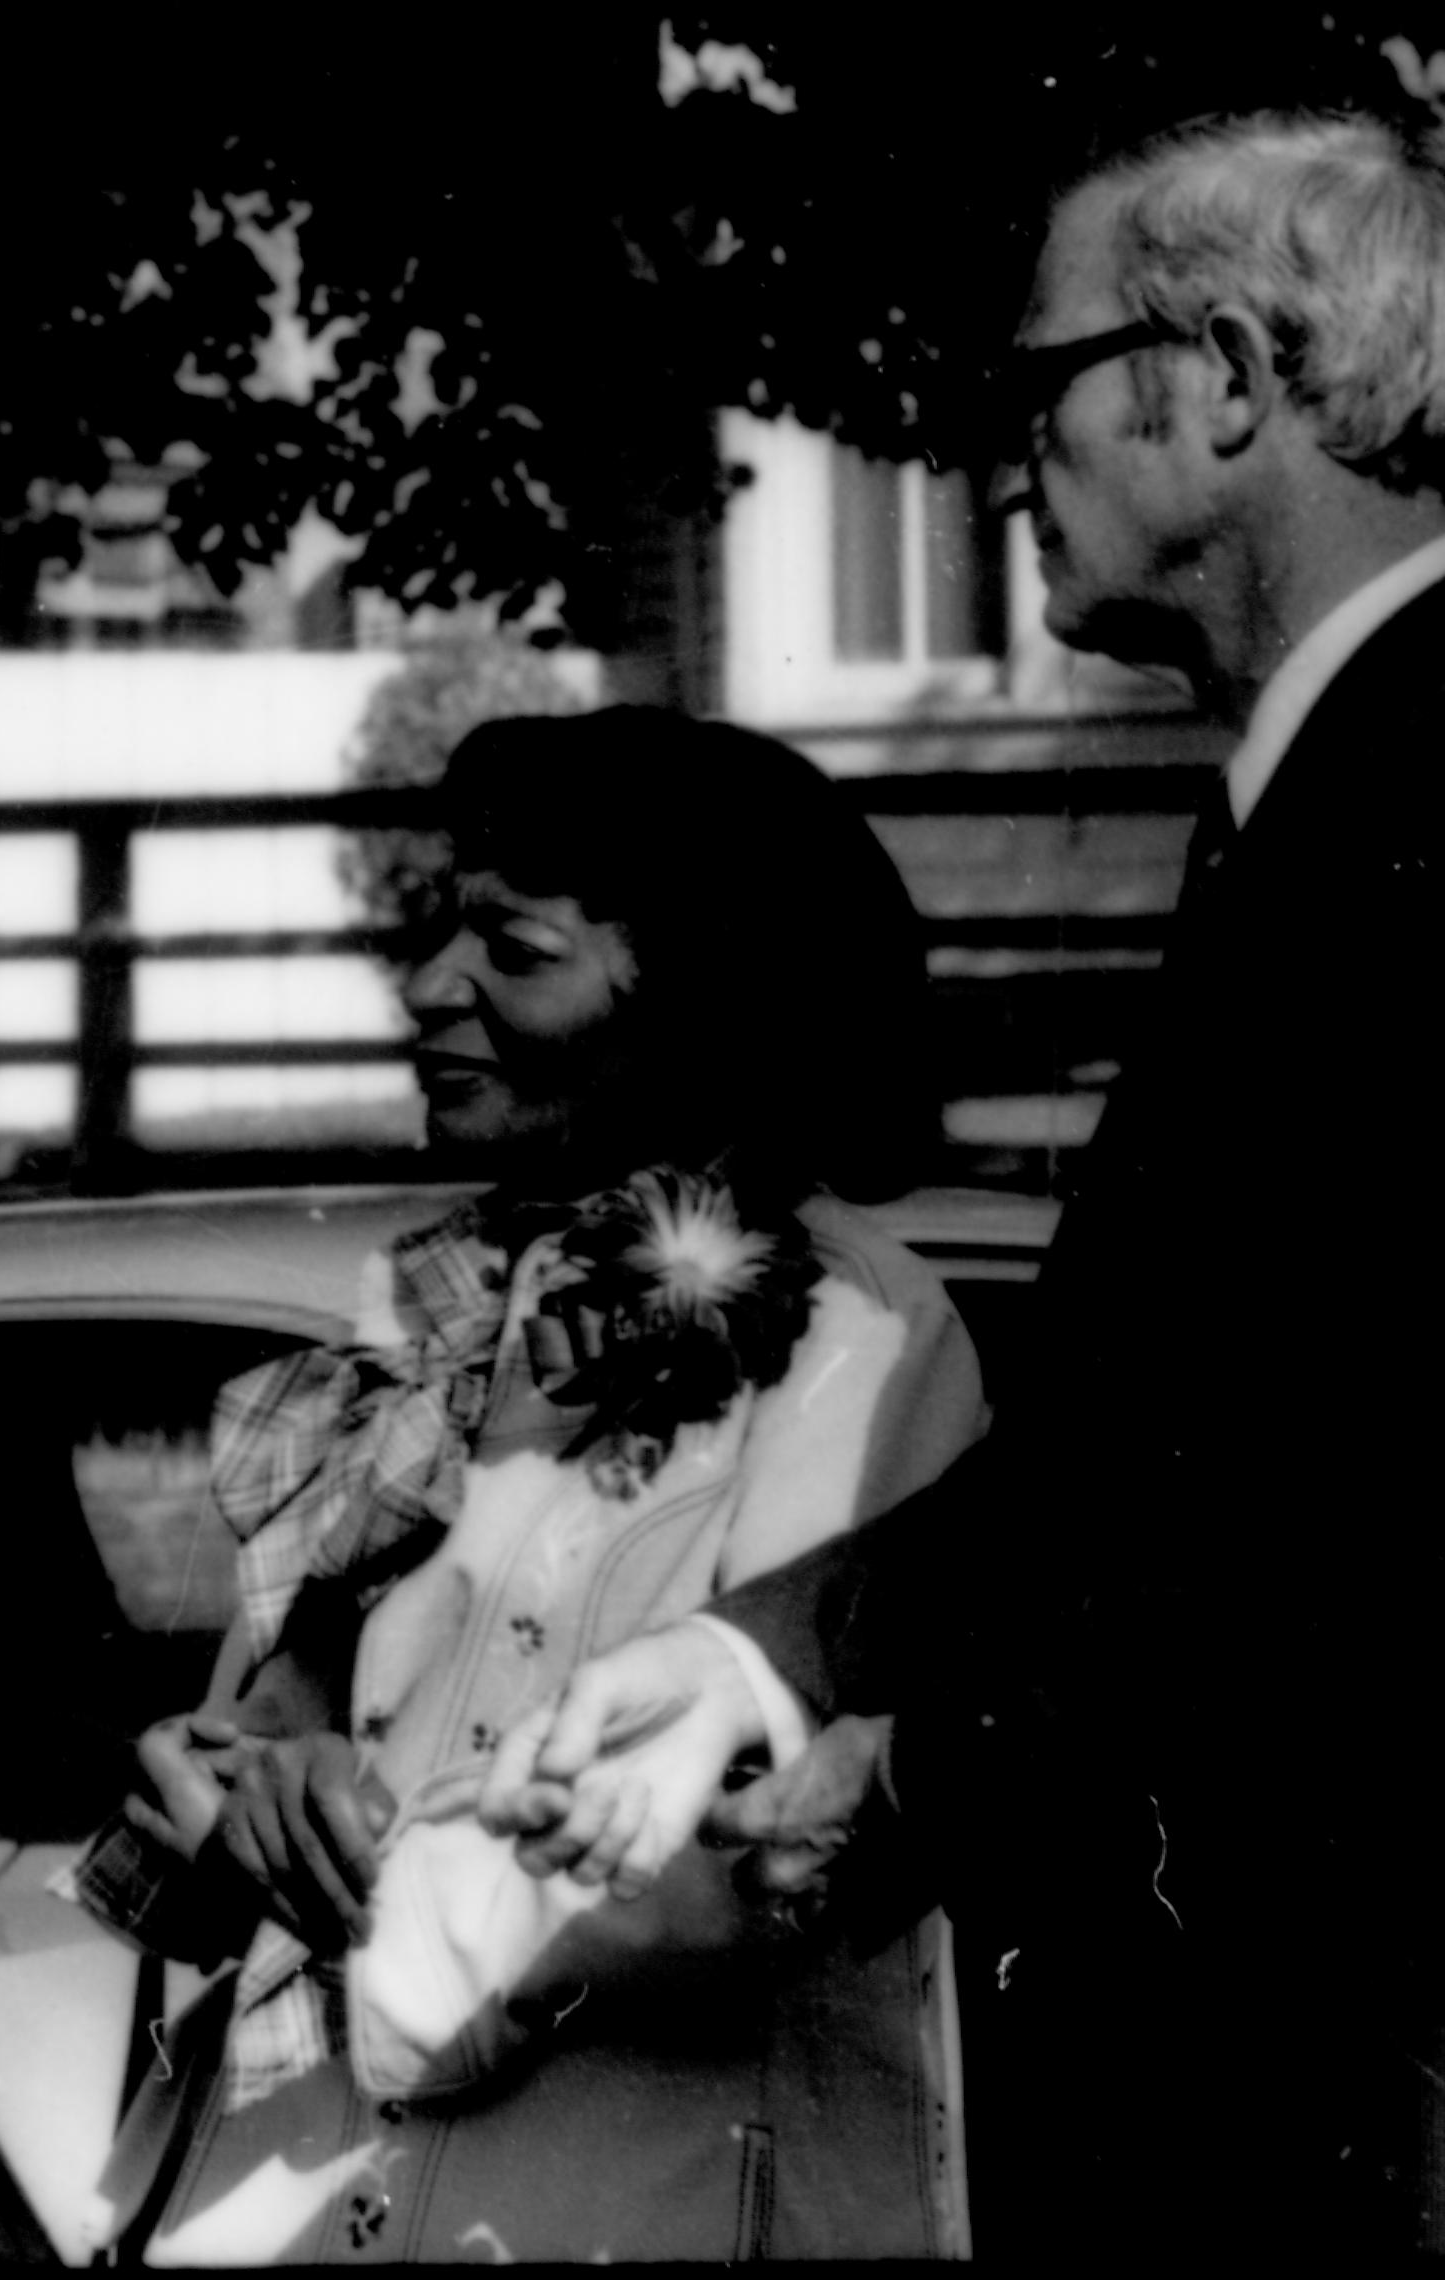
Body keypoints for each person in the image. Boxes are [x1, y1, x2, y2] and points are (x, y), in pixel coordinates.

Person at [484, 109, 1445, 2259]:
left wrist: (919, 1772)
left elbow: (1335, 1507)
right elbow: (1149, 1438)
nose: (1003, 462)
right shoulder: (1307, 796)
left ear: (1218, 379)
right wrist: (760, 1666)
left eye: (1035, 383)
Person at [74, 707, 991, 2263]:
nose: (432, 987)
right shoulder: (429, 1319)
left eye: (513, 947)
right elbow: (292, 1725)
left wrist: (366, 1882)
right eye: (444, 934)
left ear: (701, 985)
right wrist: (239, 1794)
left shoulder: (855, 1337)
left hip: (652, 2210)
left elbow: (748, 1843)